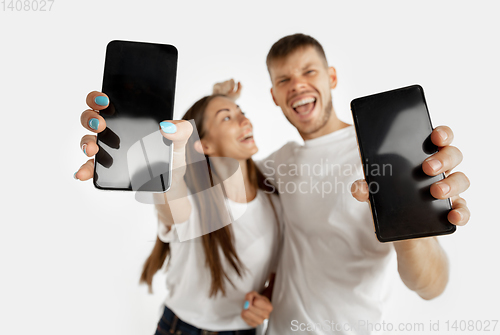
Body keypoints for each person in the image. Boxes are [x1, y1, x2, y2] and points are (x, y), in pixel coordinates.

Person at [217, 33, 471, 334]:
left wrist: (409, 227)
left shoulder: (381, 155)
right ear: (274, 96)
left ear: (332, 78)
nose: (297, 84)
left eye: (309, 71)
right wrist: (220, 106)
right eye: (284, 79)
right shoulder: (281, 161)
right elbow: (222, 178)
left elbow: (432, 286)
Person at [74, 91, 282, 334]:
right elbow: (172, 203)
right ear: (205, 145)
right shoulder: (194, 200)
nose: (245, 121)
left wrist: (265, 301)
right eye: (227, 118)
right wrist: (171, 154)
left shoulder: (275, 203)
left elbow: (277, 272)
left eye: (242, 113)